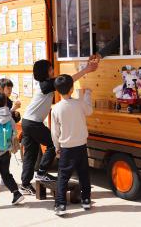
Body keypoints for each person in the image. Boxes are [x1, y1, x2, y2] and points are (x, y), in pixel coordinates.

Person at [19, 59, 97, 195]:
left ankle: (25, 184)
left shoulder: (44, 84)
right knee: (51, 145)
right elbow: (67, 81)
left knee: (30, 155)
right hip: (33, 123)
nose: (53, 71)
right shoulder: (45, 85)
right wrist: (86, 70)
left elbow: (65, 81)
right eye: (50, 69)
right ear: (46, 72)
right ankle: (41, 172)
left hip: (27, 121)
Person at [51, 75, 93, 216]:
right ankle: (86, 200)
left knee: (63, 177)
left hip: (66, 147)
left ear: (57, 91)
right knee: (84, 174)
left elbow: (54, 132)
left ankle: (61, 205)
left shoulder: (56, 108)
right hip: (81, 145)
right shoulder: (79, 103)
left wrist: (57, 147)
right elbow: (89, 110)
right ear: (72, 89)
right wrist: (87, 93)